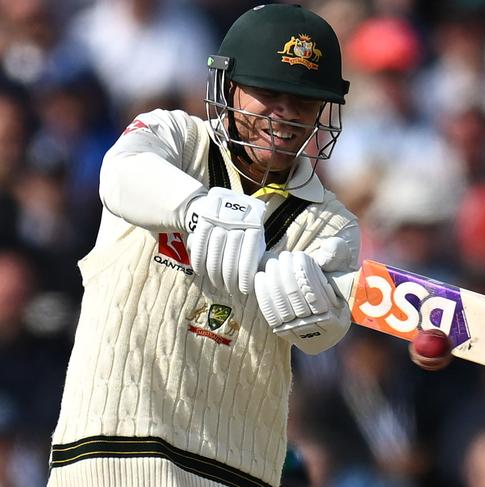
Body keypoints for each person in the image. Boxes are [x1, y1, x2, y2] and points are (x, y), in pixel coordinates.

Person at [47, 5, 361, 487]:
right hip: (109, 458)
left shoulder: (329, 224)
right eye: (269, 93)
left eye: (303, 100)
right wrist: (196, 207)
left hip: (232, 472)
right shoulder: (174, 139)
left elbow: (323, 334)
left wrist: (315, 312)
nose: (286, 114)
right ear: (229, 86)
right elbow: (119, 173)